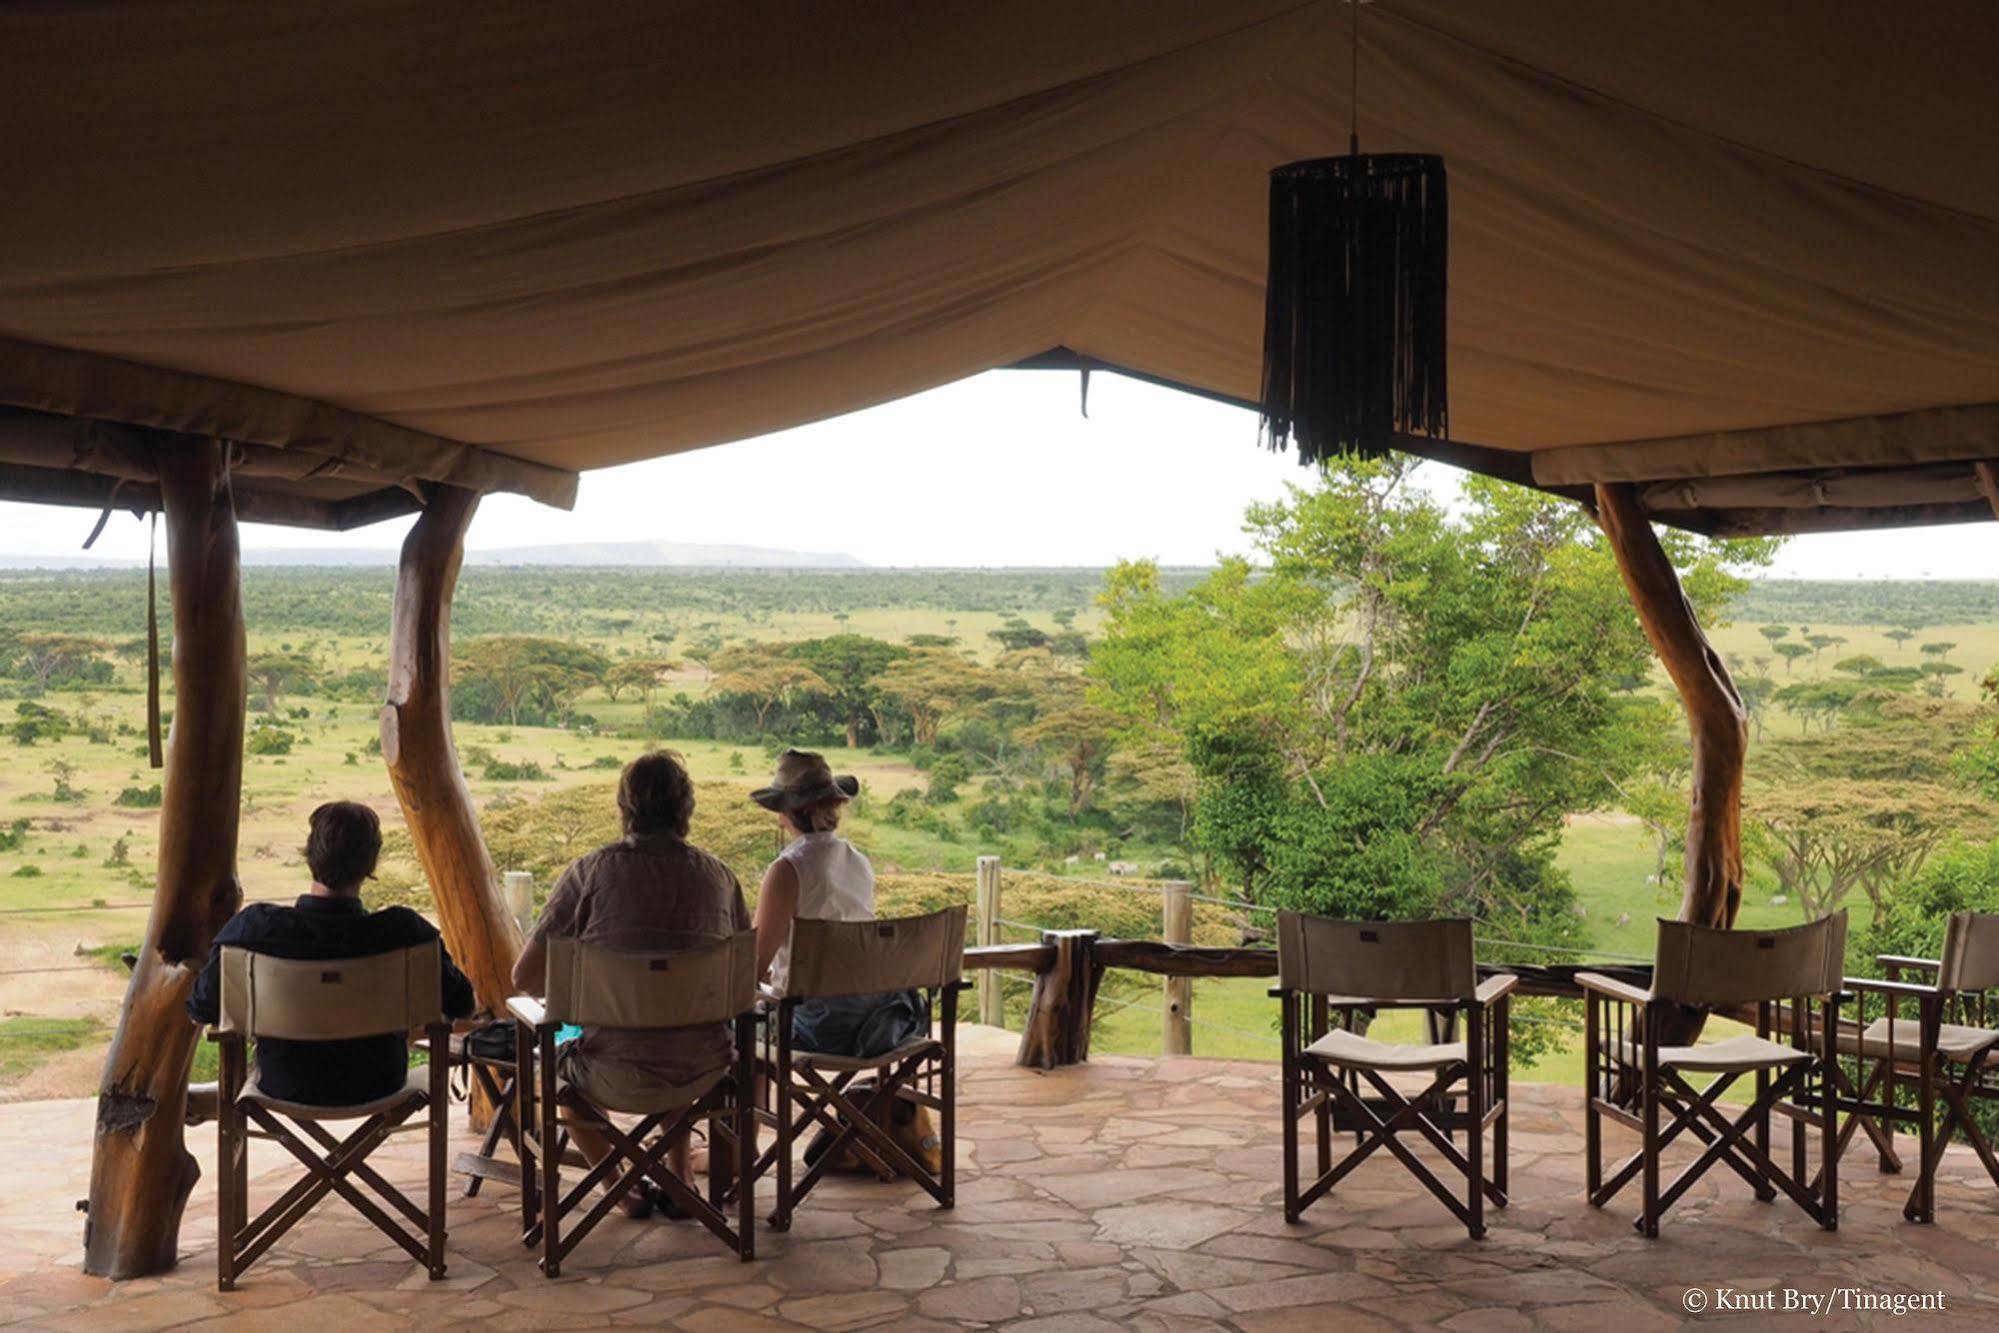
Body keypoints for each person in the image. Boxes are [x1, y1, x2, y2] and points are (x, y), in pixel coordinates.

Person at [511, 750, 750, 1217]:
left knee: (557, 1070)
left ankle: (619, 1188)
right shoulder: (720, 878)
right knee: (676, 1027)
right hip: (702, 1068)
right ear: (687, 810)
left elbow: (525, 977)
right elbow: (743, 970)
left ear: (625, 810)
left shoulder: (590, 872)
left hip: (608, 1069)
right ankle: (680, 1177)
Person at [188, 801, 475, 1107]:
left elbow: (201, 1009)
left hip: (283, 1083)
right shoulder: (406, 932)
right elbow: (462, 1003)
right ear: (371, 863)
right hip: (380, 1083)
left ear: (310, 854)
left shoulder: (254, 929)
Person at [752, 749, 926, 1058]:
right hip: (873, 1022)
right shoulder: (858, 862)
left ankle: (756, 1107)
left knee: (742, 1029)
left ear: (788, 812)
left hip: (814, 1029)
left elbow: (752, 965)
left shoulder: (787, 871)